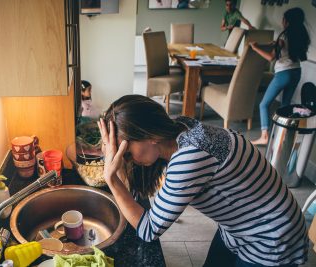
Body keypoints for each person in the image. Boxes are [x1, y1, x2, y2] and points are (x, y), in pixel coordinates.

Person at [97, 95, 308, 267]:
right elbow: (135, 194)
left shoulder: (189, 158)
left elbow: (148, 229)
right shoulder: (180, 128)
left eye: (125, 151)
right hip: (237, 228)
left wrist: (111, 178)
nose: (125, 158)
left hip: (271, 236)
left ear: (150, 135)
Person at [250, 8, 310, 145]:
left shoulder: (283, 36)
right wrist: (274, 44)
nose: (282, 22)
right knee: (285, 104)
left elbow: (271, 57)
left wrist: (255, 48)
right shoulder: (300, 35)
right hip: (296, 72)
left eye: (283, 19)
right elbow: (286, 49)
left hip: (283, 73)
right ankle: (282, 135)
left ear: (287, 21)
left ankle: (264, 136)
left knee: (264, 104)